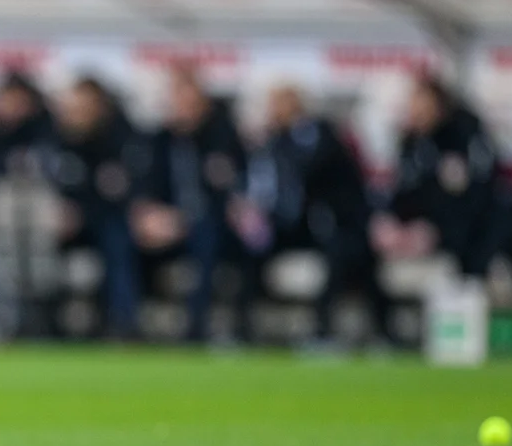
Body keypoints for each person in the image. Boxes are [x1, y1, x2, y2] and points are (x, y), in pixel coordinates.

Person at [251, 84, 391, 345]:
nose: (272, 112)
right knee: (249, 250)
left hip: (339, 220)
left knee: (354, 258)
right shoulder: (277, 141)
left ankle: (334, 330)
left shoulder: (317, 132)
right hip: (300, 222)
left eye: (277, 104)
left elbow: (313, 170)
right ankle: (246, 329)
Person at [143, 64, 248, 342]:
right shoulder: (159, 140)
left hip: (211, 223)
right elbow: (145, 185)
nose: (184, 108)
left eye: (190, 102)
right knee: (121, 238)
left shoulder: (222, 136)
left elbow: (232, 189)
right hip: (168, 223)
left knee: (206, 236)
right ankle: (125, 324)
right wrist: (151, 214)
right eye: (179, 101)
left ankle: (196, 328)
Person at [372, 75, 502, 279]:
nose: (417, 113)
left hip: (466, 239)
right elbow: (404, 191)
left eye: (424, 107)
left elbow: (474, 200)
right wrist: (395, 223)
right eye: (414, 107)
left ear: (439, 106)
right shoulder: (410, 143)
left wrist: (437, 232)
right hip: (421, 232)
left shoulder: (463, 136)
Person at [48, 76, 149, 338]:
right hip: (65, 219)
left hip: (106, 217)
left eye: (85, 107)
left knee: (118, 239)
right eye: (73, 107)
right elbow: (50, 181)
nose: (78, 114)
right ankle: (40, 321)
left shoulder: (121, 138)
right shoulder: (54, 138)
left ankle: (123, 323)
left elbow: (123, 188)